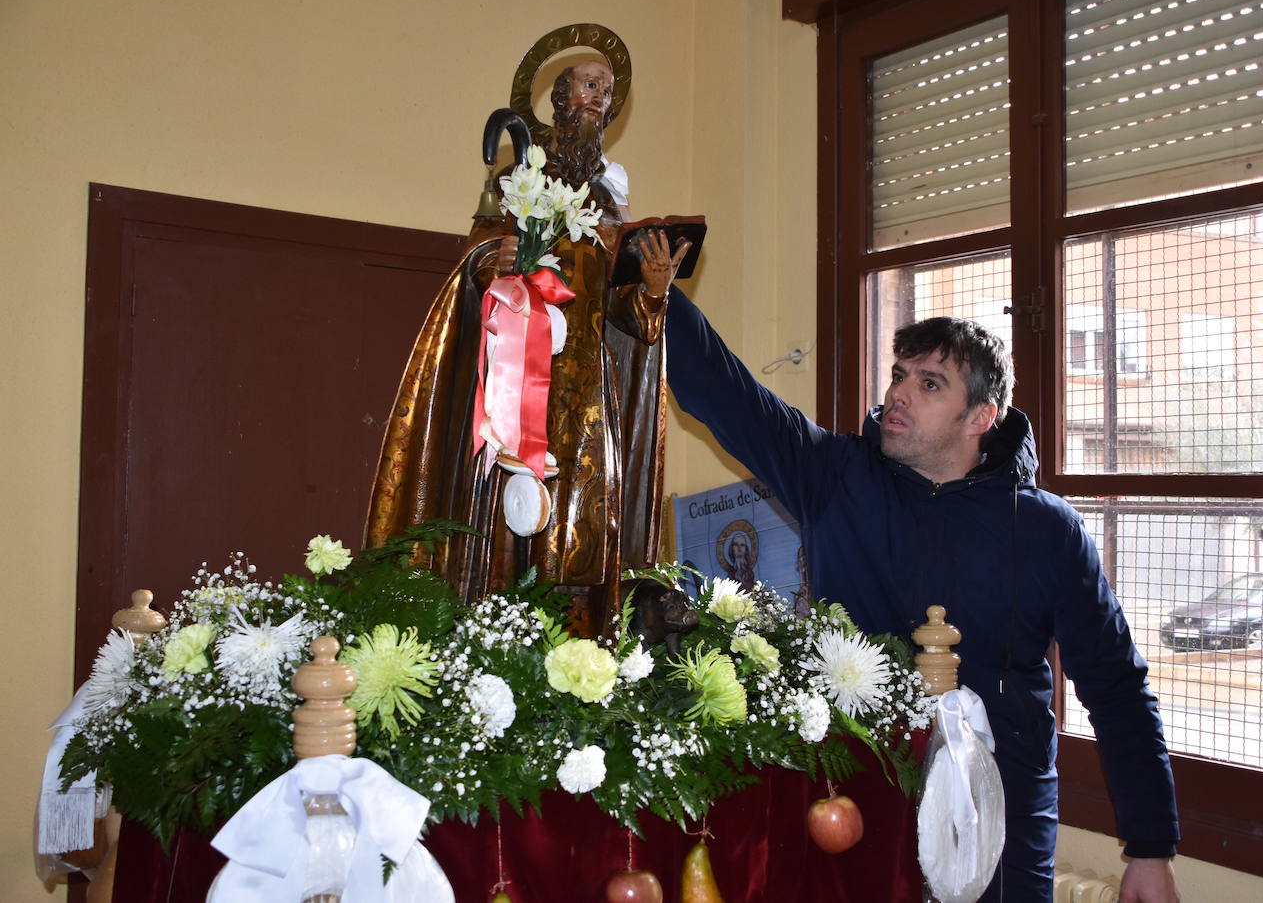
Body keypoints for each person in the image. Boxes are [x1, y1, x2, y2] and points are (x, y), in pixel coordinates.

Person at [663, 288, 1182, 902]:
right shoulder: (834, 477)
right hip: (858, 803)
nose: (898, 394)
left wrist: (1149, 848)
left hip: (999, 825)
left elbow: (1117, 687)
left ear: (982, 416)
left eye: (931, 384)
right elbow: (717, 389)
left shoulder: (1045, 530)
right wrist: (657, 287)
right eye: (899, 375)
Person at [367, 50, 689, 635]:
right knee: (508, 512)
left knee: (585, 520)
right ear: (559, 98)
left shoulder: (610, 202)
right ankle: (499, 634)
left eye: (606, 89)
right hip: (518, 388)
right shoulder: (520, 183)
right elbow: (473, 267)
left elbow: (625, 315)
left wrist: (652, 291)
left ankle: (580, 640)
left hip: (590, 389)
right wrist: (494, 260)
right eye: (585, 85)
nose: (596, 98)